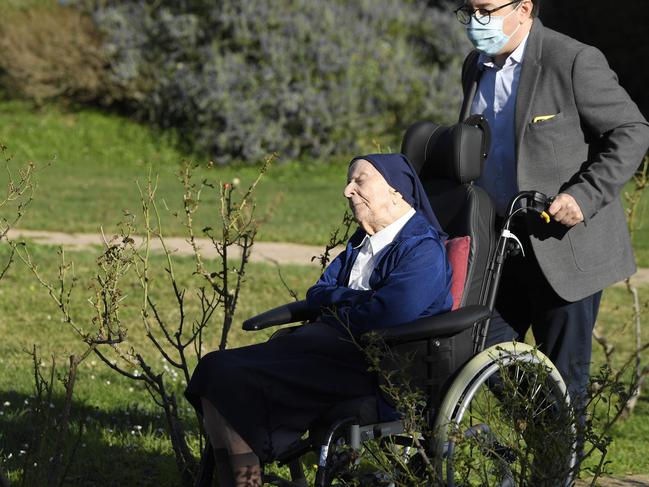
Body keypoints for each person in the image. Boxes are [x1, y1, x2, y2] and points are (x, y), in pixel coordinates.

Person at [185, 153, 453, 487]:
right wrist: (356, 299)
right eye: (348, 180)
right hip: (327, 351)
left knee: (227, 375)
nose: (347, 190)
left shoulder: (421, 250)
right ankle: (238, 479)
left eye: (359, 180)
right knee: (213, 369)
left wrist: (340, 308)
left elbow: (389, 314)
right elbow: (319, 292)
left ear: (397, 191)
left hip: (371, 367)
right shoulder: (362, 242)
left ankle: (244, 479)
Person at [455, 0, 649, 406]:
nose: (477, 20)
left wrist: (585, 195)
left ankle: (556, 459)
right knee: (477, 347)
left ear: (523, 8)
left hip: (565, 245)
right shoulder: (475, 65)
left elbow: (632, 131)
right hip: (501, 244)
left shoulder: (573, 59)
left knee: (565, 375)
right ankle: (550, 430)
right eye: (470, 9)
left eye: (487, 9)